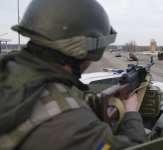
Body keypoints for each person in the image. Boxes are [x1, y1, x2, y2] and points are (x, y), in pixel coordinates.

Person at [0, 0, 146, 150]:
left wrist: (99, 104)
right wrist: (131, 113)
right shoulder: (76, 127)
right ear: (88, 49)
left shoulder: (9, 66)